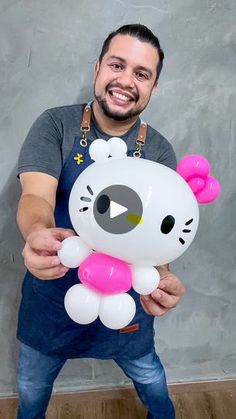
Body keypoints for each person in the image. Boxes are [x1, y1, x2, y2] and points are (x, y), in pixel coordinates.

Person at [16, 24, 185, 419]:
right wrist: (38, 233)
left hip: (125, 307)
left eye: (141, 74)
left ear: (153, 87)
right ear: (97, 69)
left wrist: (161, 278)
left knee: (152, 380)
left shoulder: (159, 152)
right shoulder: (55, 125)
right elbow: (36, 196)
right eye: (117, 65)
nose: (126, 81)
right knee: (31, 389)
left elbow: (157, 241)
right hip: (51, 300)